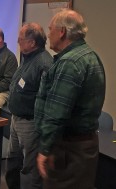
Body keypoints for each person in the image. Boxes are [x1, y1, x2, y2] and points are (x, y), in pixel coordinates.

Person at [35, 9, 106, 189]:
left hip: (68, 151)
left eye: (50, 29)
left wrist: (45, 148)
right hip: (83, 148)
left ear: (62, 32)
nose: (48, 34)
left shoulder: (69, 63)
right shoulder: (90, 56)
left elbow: (57, 112)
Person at [5, 23, 53, 189]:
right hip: (16, 119)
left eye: (21, 38)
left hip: (30, 123)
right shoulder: (27, 59)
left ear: (32, 43)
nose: (17, 41)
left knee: (30, 167)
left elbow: (45, 100)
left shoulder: (44, 63)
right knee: (12, 161)